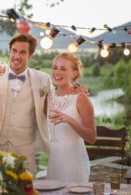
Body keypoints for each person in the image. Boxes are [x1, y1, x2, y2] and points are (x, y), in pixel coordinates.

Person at [0, 33, 52, 172]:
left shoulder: (43, 79)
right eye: (14, 50)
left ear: (30, 55)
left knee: (25, 190)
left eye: (22, 52)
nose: (16, 56)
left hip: (25, 148)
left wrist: (74, 90)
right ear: (9, 51)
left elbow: (55, 106)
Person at [46, 52, 96, 182]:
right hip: (54, 162)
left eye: (63, 68)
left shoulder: (81, 98)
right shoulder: (48, 97)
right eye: (55, 67)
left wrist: (69, 120)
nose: (57, 72)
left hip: (74, 164)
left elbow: (92, 137)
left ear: (74, 74)